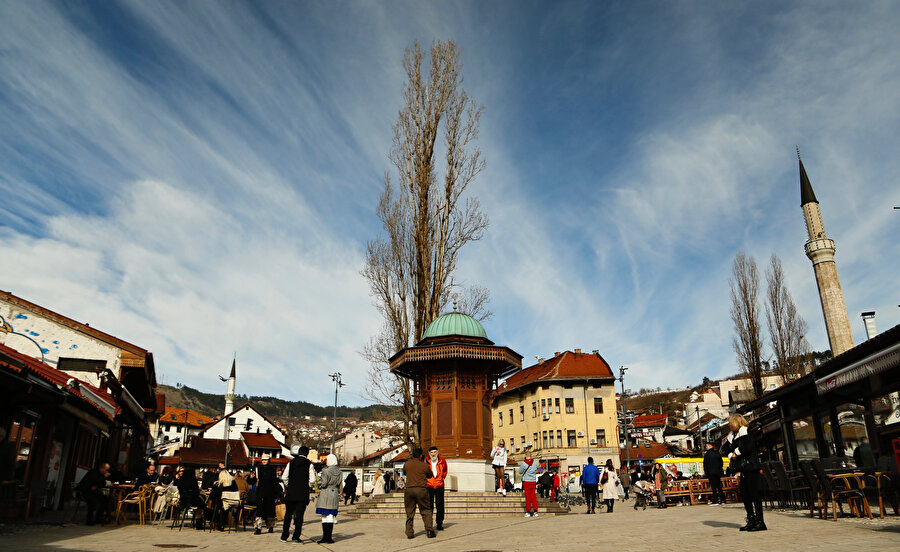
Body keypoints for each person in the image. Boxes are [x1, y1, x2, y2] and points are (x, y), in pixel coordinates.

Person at [724, 413, 765, 532]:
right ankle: (751, 519)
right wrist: (731, 455)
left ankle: (760, 521)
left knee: (754, 495)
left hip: (751, 467)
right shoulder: (731, 436)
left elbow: (749, 447)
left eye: (731, 424)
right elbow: (726, 448)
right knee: (745, 496)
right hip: (741, 469)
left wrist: (737, 452)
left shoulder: (746, 432)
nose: (730, 426)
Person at [281, 445, 315, 543]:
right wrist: (306, 485)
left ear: (298, 452)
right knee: (299, 516)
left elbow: (284, 477)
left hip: (291, 493)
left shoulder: (291, 462)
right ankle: (296, 537)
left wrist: (289, 485)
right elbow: (312, 480)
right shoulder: (309, 464)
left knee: (288, 515)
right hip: (302, 494)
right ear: (307, 454)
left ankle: (284, 535)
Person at [403, 447, 435, 539]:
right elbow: (430, 475)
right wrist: (424, 463)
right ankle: (429, 531)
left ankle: (409, 533)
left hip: (409, 490)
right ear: (421, 456)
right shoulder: (424, 465)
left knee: (409, 512)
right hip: (421, 489)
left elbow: (405, 472)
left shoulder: (407, 464)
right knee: (425, 511)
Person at [314, 454, 341, 544]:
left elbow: (323, 484)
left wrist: (318, 476)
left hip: (326, 493)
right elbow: (339, 483)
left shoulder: (326, 471)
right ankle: (329, 537)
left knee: (324, 516)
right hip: (334, 493)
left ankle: (325, 537)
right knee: (330, 516)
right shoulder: (339, 472)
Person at [253, 454, 278, 535]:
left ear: (268, 461)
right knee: (260, 510)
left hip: (270, 492)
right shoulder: (259, 468)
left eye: (265, 460)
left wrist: (275, 493)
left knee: (270, 510)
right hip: (261, 491)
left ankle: (270, 527)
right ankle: (258, 528)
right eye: (263, 460)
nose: (264, 461)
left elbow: (274, 481)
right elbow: (256, 480)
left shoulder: (272, 469)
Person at [426, 445, 448, 531]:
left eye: (434, 452)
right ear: (429, 453)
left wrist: (442, 478)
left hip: (439, 485)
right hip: (429, 485)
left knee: (440, 505)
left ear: (437, 452)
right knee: (429, 505)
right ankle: (429, 523)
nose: (433, 454)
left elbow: (445, 470)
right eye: (431, 452)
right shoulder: (426, 461)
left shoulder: (442, 461)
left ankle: (439, 523)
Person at [518, 451, 539, 517]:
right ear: (531, 455)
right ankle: (535, 511)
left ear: (525, 455)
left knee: (528, 497)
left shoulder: (523, 463)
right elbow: (537, 469)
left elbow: (520, 472)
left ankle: (528, 512)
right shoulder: (535, 463)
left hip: (526, 481)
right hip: (533, 481)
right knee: (533, 496)